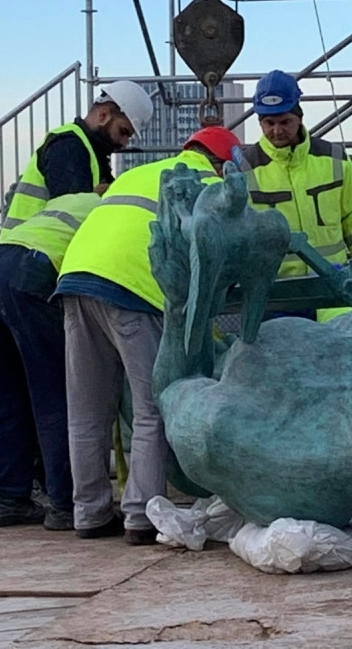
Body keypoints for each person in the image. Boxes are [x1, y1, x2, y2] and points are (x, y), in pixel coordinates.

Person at [55, 125, 240, 545]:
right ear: (223, 163)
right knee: (151, 407)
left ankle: (89, 513)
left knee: (86, 411)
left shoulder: (140, 172)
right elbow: (216, 259)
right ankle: (141, 516)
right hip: (133, 291)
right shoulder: (207, 185)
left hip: (76, 280)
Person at [0, 191, 103, 530]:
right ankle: (65, 502)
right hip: (31, 271)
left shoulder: (71, 201)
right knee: (55, 394)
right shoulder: (110, 210)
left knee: (6, 394)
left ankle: (8, 499)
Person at [240, 70, 352, 320]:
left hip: (333, 285)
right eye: (268, 123)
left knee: (340, 355)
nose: (276, 131)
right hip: (276, 292)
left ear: (299, 117)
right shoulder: (245, 169)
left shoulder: (333, 158)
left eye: (284, 122)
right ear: (260, 122)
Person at [0, 80, 154, 237]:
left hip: (33, 251)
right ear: (103, 115)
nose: (124, 143)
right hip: (31, 251)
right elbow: (70, 215)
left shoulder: (89, 152)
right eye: (123, 131)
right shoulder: (69, 146)